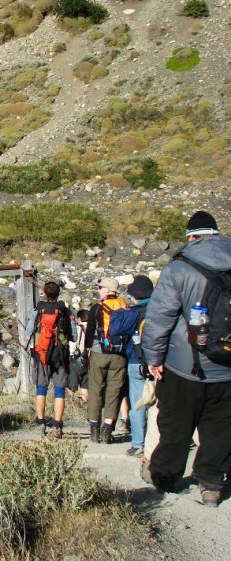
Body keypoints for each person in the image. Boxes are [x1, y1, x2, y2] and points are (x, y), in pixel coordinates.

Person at [141, 211, 231, 507]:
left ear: (191, 237)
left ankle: (165, 476)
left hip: (185, 364)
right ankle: (212, 484)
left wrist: (154, 357)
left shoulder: (180, 267)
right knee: (221, 427)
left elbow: (160, 317)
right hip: (228, 367)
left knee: (175, 424)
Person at [25, 281, 74, 439]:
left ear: (45, 294)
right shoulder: (64, 310)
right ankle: (57, 426)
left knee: (41, 388)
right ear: (58, 294)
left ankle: (41, 423)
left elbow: (28, 333)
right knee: (59, 390)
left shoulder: (38, 310)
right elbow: (72, 334)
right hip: (60, 354)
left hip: (42, 353)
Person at [84, 276, 127, 444]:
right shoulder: (125, 306)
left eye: (100, 288)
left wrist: (86, 351)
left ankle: (94, 430)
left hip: (98, 352)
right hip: (119, 354)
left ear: (108, 290)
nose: (98, 290)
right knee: (114, 391)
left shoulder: (97, 308)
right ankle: (108, 430)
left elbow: (90, 332)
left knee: (96, 389)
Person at [124, 275, 154, 458]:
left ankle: (138, 444)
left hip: (136, 359)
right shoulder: (161, 309)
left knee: (137, 403)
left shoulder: (132, 313)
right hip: (159, 361)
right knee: (158, 405)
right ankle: (157, 442)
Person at [68, 309, 89, 405]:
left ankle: (73, 406)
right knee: (85, 386)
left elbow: (72, 346)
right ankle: (86, 405)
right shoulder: (93, 328)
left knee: (72, 387)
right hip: (89, 361)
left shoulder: (77, 328)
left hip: (76, 360)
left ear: (80, 318)